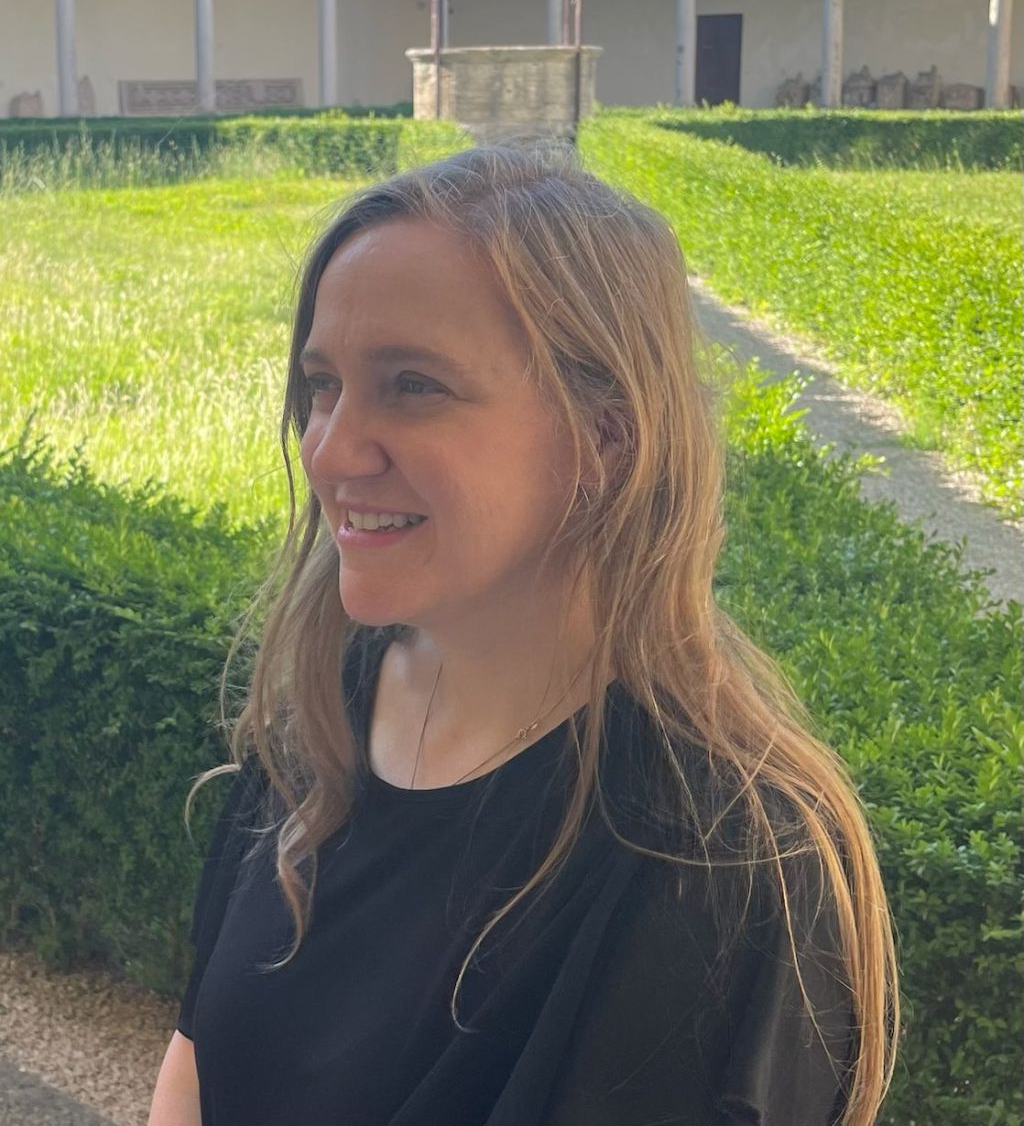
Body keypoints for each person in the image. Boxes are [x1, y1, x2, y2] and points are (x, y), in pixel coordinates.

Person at [148, 143, 899, 1126]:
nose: (330, 448)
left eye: (413, 383)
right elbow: (194, 1065)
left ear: (605, 439)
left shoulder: (722, 863)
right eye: (323, 384)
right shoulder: (322, 720)